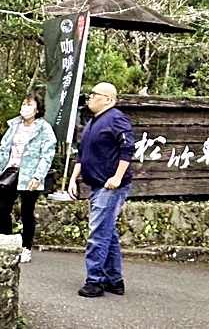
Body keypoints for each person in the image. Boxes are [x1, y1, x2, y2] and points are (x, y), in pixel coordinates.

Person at [67, 82, 135, 298]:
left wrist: (117, 176)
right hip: (96, 184)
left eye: (94, 94)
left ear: (108, 99)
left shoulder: (116, 118)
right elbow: (82, 153)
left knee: (98, 233)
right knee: (108, 232)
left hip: (110, 186)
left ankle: (94, 281)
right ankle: (114, 280)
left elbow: (127, 148)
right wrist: (73, 179)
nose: (90, 98)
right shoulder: (91, 123)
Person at [0, 91, 58, 263]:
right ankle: (6, 241)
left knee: (26, 212)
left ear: (37, 109)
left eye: (29, 105)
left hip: (30, 174)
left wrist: (38, 176)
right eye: (24, 104)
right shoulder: (14, 125)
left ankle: (26, 247)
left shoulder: (44, 129)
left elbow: (47, 155)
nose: (25, 108)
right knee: (2, 208)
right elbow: (3, 149)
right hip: (10, 171)